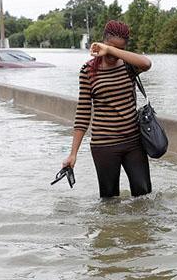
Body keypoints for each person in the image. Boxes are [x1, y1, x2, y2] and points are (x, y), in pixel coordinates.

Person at [62, 20, 153, 198]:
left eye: (118, 50)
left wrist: (112, 50)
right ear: (102, 41)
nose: (113, 56)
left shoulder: (129, 65)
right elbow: (83, 113)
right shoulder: (88, 71)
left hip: (133, 142)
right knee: (109, 201)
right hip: (104, 145)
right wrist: (73, 154)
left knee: (144, 196)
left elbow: (147, 64)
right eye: (109, 47)